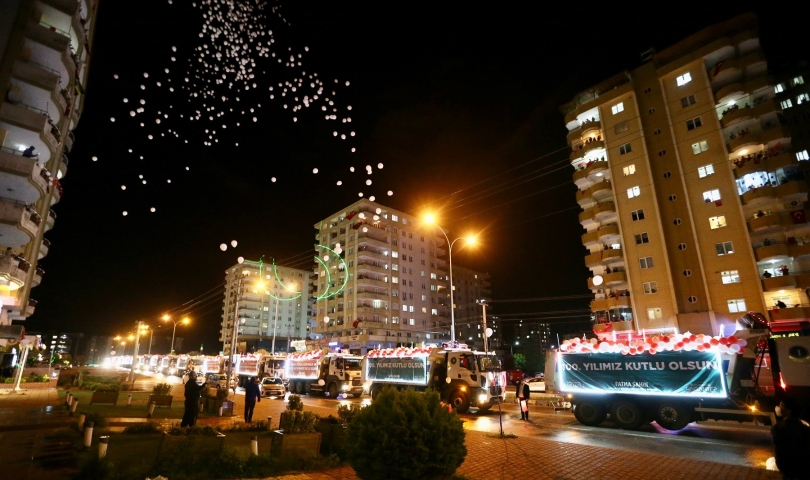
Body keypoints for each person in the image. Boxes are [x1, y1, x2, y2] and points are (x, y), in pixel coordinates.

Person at [771, 399, 810, 479]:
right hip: (804, 469)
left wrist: (782, 469)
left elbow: (779, 452)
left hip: (788, 470)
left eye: (781, 405)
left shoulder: (778, 429)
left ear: (788, 411)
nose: (778, 408)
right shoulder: (805, 429)